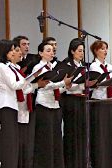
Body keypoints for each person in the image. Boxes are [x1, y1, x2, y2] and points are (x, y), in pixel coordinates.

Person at [0, 39, 35, 168]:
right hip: (5, 106)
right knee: (9, 142)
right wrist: (31, 77)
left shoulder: (10, 67)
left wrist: (32, 82)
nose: (13, 52)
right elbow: (14, 85)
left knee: (14, 141)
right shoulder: (1, 67)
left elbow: (22, 87)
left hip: (13, 105)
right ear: (4, 51)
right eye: (11, 50)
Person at [30, 39, 69, 168]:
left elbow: (56, 88)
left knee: (56, 139)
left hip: (55, 104)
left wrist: (66, 86)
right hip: (44, 105)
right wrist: (62, 83)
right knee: (45, 139)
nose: (51, 53)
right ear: (40, 53)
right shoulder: (38, 68)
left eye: (52, 51)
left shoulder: (53, 67)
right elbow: (44, 86)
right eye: (48, 51)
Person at [88, 39, 112, 168]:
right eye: (102, 48)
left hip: (109, 100)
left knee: (110, 131)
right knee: (100, 132)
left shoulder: (110, 66)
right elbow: (95, 83)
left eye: (106, 48)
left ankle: (110, 161)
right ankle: (100, 161)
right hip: (99, 100)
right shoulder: (94, 66)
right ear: (96, 51)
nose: (105, 51)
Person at [59, 39, 88, 168]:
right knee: (71, 131)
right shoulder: (67, 64)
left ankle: (81, 162)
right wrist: (82, 85)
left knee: (82, 131)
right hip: (70, 101)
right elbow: (68, 86)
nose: (81, 53)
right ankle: (70, 163)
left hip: (82, 99)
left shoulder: (82, 65)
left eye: (82, 51)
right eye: (79, 51)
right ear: (72, 51)